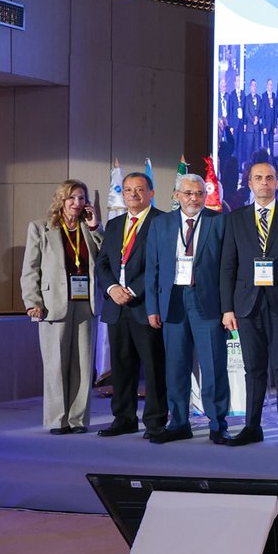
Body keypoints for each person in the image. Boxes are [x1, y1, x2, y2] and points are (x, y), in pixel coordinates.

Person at [220, 160, 278, 447]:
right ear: (250, 183)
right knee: (253, 370)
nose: (264, 183)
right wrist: (227, 308)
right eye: (258, 178)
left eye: (270, 177)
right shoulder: (236, 219)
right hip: (246, 305)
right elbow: (227, 266)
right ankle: (252, 426)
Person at [144, 173, 229, 443]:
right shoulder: (161, 224)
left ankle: (218, 424)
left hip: (208, 303)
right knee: (176, 367)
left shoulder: (219, 222)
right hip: (173, 302)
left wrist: (228, 307)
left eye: (199, 193)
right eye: (189, 193)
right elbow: (152, 268)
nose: (194, 198)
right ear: (177, 195)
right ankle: (179, 422)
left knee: (213, 366)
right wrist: (152, 307)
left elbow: (228, 268)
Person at [21, 179, 101, 433]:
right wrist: (32, 301)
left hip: (85, 303)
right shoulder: (40, 228)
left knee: (83, 365)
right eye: (71, 198)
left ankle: (77, 419)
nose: (76, 203)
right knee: (55, 364)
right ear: (61, 201)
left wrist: (95, 227)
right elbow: (30, 269)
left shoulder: (89, 228)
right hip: (52, 304)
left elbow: (106, 256)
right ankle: (58, 419)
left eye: (81, 198)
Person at [94, 171, 167, 438]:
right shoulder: (115, 225)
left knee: (154, 366)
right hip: (117, 306)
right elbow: (102, 263)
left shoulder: (162, 222)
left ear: (151, 193)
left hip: (146, 306)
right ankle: (123, 418)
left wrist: (134, 290)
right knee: (121, 365)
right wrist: (112, 289)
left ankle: (156, 421)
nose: (133, 194)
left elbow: (161, 264)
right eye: (127, 190)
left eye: (139, 189)